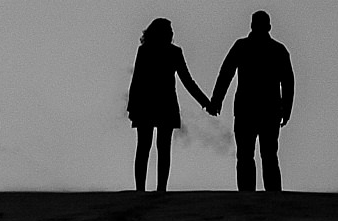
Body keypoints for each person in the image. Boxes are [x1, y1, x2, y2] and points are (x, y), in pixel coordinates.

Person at [208, 10, 295, 192]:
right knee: (268, 155)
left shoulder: (242, 46)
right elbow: (288, 82)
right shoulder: (278, 50)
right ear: (269, 26)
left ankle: (248, 195)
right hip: (268, 109)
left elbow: (226, 74)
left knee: (247, 155)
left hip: (247, 109)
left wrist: (217, 100)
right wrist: (286, 109)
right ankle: (272, 196)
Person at [126, 17, 211, 192]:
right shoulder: (173, 52)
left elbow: (137, 81)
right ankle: (159, 189)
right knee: (159, 148)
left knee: (145, 147)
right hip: (163, 104)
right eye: (169, 30)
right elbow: (187, 81)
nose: (172, 33)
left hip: (147, 104)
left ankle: (142, 189)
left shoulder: (145, 51)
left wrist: (132, 106)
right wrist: (206, 103)